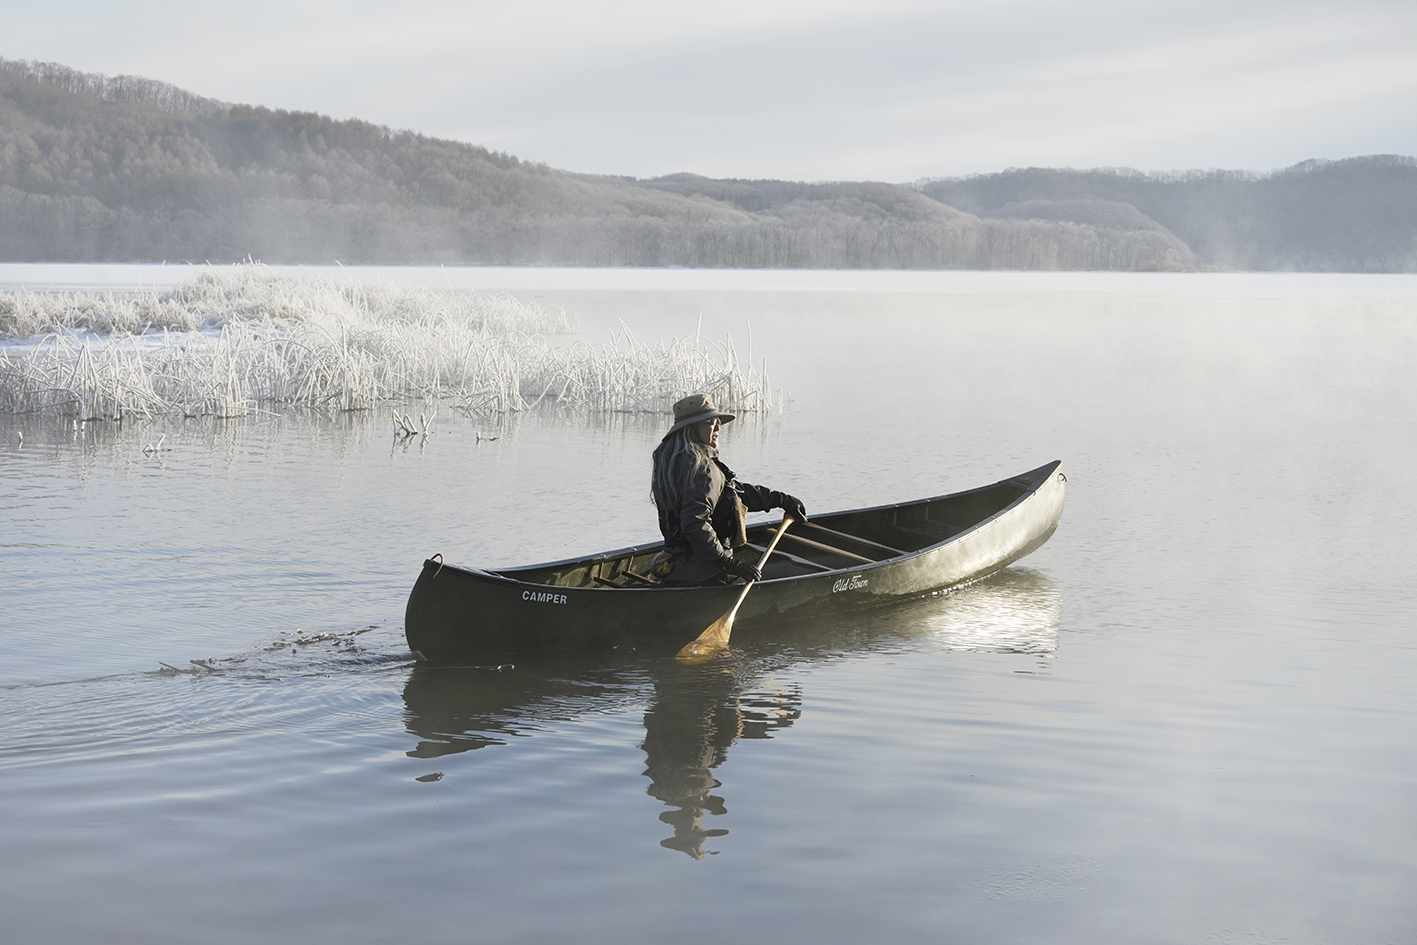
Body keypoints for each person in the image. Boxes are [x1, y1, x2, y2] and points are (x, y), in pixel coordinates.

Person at [651, 393, 807, 586]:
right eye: (710, 421)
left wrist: (781, 500)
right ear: (690, 428)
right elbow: (694, 523)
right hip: (709, 573)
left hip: (678, 569)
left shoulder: (670, 465)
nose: (718, 427)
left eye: (718, 421)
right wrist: (727, 563)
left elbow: (732, 492)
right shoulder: (703, 469)